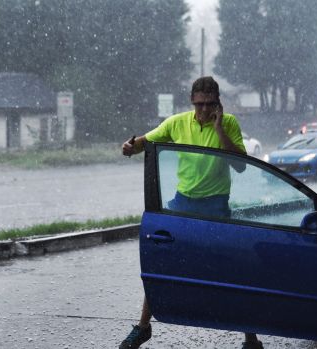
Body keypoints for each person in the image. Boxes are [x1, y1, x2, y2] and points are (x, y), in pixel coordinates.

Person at [119, 76, 263, 349]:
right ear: (192, 101)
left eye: (210, 105)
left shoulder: (229, 123)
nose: (205, 111)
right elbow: (144, 141)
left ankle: (251, 338)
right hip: (183, 203)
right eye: (199, 104)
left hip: (216, 205)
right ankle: (143, 327)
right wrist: (129, 147)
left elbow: (241, 165)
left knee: (234, 270)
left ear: (218, 103)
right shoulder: (177, 122)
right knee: (160, 262)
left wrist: (219, 129)